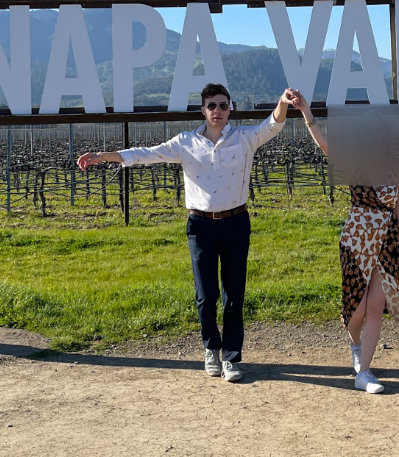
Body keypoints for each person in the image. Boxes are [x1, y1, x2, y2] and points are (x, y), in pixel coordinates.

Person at [78, 83, 294, 382]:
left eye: (222, 105)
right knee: (206, 295)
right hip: (200, 226)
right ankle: (211, 349)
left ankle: (231, 357)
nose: (217, 111)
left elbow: (273, 124)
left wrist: (283, 100)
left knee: (234, 295)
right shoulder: (186, 142)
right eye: (211, 106)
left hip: (235, 223)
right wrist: (104, 155)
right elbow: (146, 154)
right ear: (203, 110)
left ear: (230, 108)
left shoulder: (245, 138)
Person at [285, 91, 399, 394]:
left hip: (386, 241)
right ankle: (355, 344)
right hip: (356, 241)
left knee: (376, 307)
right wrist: (306, 112)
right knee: (357, 313)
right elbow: (322, 142)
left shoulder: (394, 165)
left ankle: (365, 373)